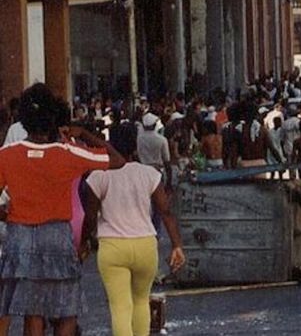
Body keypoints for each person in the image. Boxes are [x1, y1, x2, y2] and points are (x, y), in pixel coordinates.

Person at [0, 83, 125, 336]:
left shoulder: (6, 154)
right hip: (56, 237)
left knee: (33, 311)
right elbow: (118, 160)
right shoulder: (67, 153)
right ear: (53, 117)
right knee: (67, 308)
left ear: (23, 119)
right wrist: (84, 134)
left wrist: (7, 213)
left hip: (20, 239)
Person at [81, 123, 185, 336]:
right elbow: (165, 212)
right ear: (135, 146)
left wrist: (84, 242)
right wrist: (177, 245)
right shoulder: (149, 174)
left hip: (113, 247)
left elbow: (90, 218)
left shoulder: (99, 175)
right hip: (145, 245)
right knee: (141, 301)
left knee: (120, 306)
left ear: (110, 144)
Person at [136, 112, 172, 187]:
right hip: (157, 172)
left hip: (143, 172)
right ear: (155, 125)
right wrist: (169, 181)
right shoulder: (162, 140)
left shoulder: (139, 139)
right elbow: (166, 160)